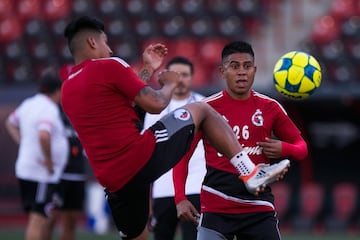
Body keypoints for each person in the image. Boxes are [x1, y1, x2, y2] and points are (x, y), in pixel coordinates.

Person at [60, 16, 290, 240]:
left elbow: (127, 106)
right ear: (92, 42)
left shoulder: (67, 88)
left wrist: (148, 69)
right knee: (201, 109)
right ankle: (249, 172)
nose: (109, 49)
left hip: (114, 182)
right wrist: (170, 82)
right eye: (105, 42)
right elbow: (156, 104)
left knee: (137, 236)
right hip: (138, 157)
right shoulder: (110, 65)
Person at [173, 41, 309, 240]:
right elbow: (181, 155)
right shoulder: (206, 109)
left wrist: (283, 148)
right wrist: (180, 198)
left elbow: (302, 148)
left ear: (254, 70)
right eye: (234, 66)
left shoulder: (270, 107)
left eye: (247, 66)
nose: (242, 72)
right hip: (216, 206)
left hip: (258, 208)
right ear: (222, 71)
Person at [143, 56, 206, 240]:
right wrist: (147, 199)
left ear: (193, 77)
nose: (180, 79)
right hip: (163, 186)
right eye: (176, 75)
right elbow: (148, 152)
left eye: (185, 75)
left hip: (196, 185)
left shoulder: (205, 105)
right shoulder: (155, 107)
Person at [5, 73, 68, 240]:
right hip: (40, 172)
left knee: (37, 217)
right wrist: (48, 161)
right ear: (56, 91)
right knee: (37, 219)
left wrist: (22, 142)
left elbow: (10, 122)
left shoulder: (28, 104)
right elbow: (44, 135)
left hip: (27, 169)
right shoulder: (48, 108)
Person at [43, 65, 87, 240]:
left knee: (71, 222)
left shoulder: (83, 109)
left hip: (77, 174)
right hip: (56, 175)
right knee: (48, 220)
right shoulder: (51, 111)